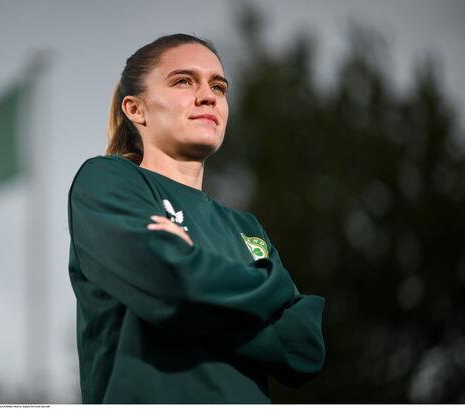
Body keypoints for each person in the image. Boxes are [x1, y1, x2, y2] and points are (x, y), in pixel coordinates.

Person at [67, 33, 326, 404]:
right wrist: (272, 286)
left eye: (218, 86)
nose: (208, 95)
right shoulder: (106, 181)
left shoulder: (247, 228)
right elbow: (169, 285)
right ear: (135, 109)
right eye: (183, 81)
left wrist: (193, 267)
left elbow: (304, 348)